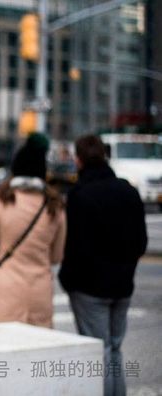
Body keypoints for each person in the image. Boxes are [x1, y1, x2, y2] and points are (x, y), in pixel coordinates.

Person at [59, 135, 147, 396]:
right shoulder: (128, 190)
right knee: (115, 349)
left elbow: (74, 248)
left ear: (78, 160)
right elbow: (140, 242)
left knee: (99, 352)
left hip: (89, 289)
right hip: (123, 285)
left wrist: (68, 281)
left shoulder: (79, 195)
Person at [0, 134, 66, 328]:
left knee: (4, 352)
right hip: (39, 292)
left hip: (4, 289)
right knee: (37, 352)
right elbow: (57, 256)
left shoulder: (0, 199)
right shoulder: (55, 205)